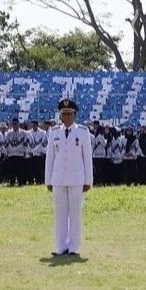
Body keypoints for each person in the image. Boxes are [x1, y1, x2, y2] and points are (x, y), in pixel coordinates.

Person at [46, 98, 93, 257]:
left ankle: (73, 246)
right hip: (58, 177)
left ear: (74, 115)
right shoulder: (54, 132)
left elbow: (87, 157)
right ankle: (61, 245)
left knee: (75, 213)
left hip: (77, 177)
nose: (66, 117)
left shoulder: (82, 132)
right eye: (64, 114)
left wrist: (89, 180)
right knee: (60, 213)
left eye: (69, 114)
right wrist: (48, 179)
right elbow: (50, 158)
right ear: (60, 115)